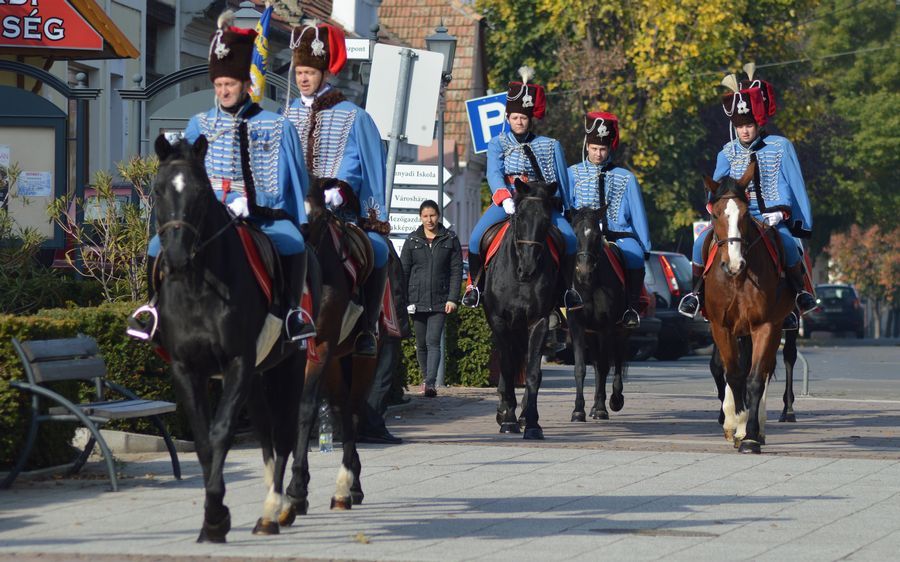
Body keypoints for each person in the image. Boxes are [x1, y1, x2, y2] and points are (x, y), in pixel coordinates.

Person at [128, 11, 314, 343]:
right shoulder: (199, 124)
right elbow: (186, 172)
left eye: (229, 84)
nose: (224, 91)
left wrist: (255, 203)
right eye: (219, 85)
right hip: (208, 216)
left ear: (245, 84)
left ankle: (290, 315)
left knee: (293, 241)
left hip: (261, 216)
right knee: (158, 244)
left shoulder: (277, 125)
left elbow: (292, 179)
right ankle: (154, 309)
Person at [678, 68, 816, 329]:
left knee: (787, 244)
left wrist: (785, 213)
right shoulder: (726, 152)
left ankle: (798, 294)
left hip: (770, 217)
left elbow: (794, 184)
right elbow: (715, 190)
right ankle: (695, 295)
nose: (744, 131)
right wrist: (716, 209)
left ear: (759, 124)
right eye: (740, 126)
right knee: (699, 245)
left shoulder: (781, 146)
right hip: (733, 217)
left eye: (749, 125)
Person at [284, 22, 389, 356]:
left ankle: (368, 329)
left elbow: (359, 162)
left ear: (325, 72)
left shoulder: (354, 116)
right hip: (291, 210)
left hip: (340, 212)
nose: (303, 78)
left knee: (380, 250)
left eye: (310, 72)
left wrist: (341, 189)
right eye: (299, 71)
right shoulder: (283, 115)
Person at [461, 66, 581, 311]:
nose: (519, 121)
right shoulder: (497, 143)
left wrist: (563, 206)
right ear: (508, 118)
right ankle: (474, 287)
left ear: (530, 119)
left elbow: (560, 179)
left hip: (539, 202)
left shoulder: (550, 145)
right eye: (515, 117)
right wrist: (504, 197)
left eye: (523, 118)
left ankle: (567, 291)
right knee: (475, 239)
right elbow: (494, 173)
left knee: (569, 240)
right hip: (509, 199)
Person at [568, 112, 651, 328]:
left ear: (609, 148)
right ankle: (558, 308)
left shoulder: (626, 177)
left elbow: (638, 213)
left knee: (634, 258)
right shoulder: (572, 174)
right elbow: (566, 208)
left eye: (603, 149)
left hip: (618, 234)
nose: (598, 154)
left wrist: (645, 245)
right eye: (594, 148)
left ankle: (630, 308)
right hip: (582, 237)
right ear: (587, 146)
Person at [401, 200, 463, 397]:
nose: (430, 220)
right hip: (415, 301)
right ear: (420, 217)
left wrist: (453, 298)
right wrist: (403, 300)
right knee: (421, 344)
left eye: (433, 215)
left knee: (433, 341)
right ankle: (426, 378)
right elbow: (403, 271)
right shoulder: (412, 240)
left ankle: (430, 383)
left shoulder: (450, 239)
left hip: (440, 300)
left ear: (439, 215)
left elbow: (456, 271)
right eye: (426, 216)